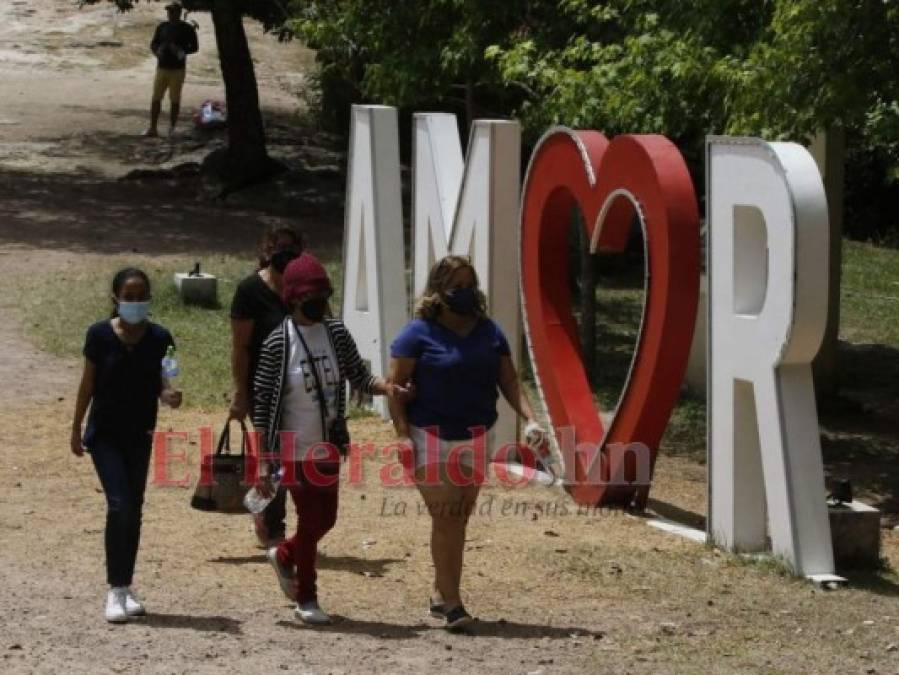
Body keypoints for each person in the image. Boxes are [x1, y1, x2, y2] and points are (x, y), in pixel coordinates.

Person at [388, 255, 547, 630]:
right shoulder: (416, 334)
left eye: (469, 284)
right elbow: (395, 390)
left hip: (476, 436)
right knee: (446, 517)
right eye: (456, 285)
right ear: (439, 291)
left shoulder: (489, 332)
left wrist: (531, 418)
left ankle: (441, 594)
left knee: (458, 519)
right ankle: (453, 604)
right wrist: (401, 435)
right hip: (429, 437)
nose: (465, 292)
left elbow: (508, 380)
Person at [252, 253, 411, 625]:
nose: (319, 305)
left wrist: (387, 387)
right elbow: (263, 406)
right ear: (292, 299)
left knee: (327, 520)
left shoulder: (335, 332)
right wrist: (263, 457)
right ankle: (306, 597)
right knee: (310, 519)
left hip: (327, 445)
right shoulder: (279, 343)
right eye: (312, 298)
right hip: (293, 448)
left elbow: (358, 374)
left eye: (324, 296)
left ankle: (284, 555)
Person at [70, 268, 183, 624]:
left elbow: (162, 383)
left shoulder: (161, 337)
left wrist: (170, 396)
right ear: (116, 298)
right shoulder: (99, 335)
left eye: (141, 296)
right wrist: (76, 427)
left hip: (140, 435)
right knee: (119, 505)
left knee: (134, 507)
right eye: (129, 296)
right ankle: (114, 590)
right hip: (104, 435)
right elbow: (87, 384)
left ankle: (125, 586)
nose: (135, 303)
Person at [230, 225, 304, 547]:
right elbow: (240, 348)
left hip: (299, 387)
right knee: (274, 458)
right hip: (262, 388)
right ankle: (275, 528)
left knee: (292, 460)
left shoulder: (303, 288)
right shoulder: (249, 290)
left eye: (292, 248)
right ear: (267, 250)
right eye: (279, 248)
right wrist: (240, 393)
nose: (285, 254)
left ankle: (264, 511)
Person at [145, 2, 199, 137]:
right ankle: (153, 128)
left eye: (173, 12)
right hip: (162, 67)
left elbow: (195, 47)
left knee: (174, 100)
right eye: (169, 12)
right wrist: (157, 51)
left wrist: (181, 50)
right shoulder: (162, 27)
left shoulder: (187, 28)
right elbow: (153, 43)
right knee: (156, 97)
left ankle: (172, 128)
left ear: (179, 13)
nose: (170, 14)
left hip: (177, 69)